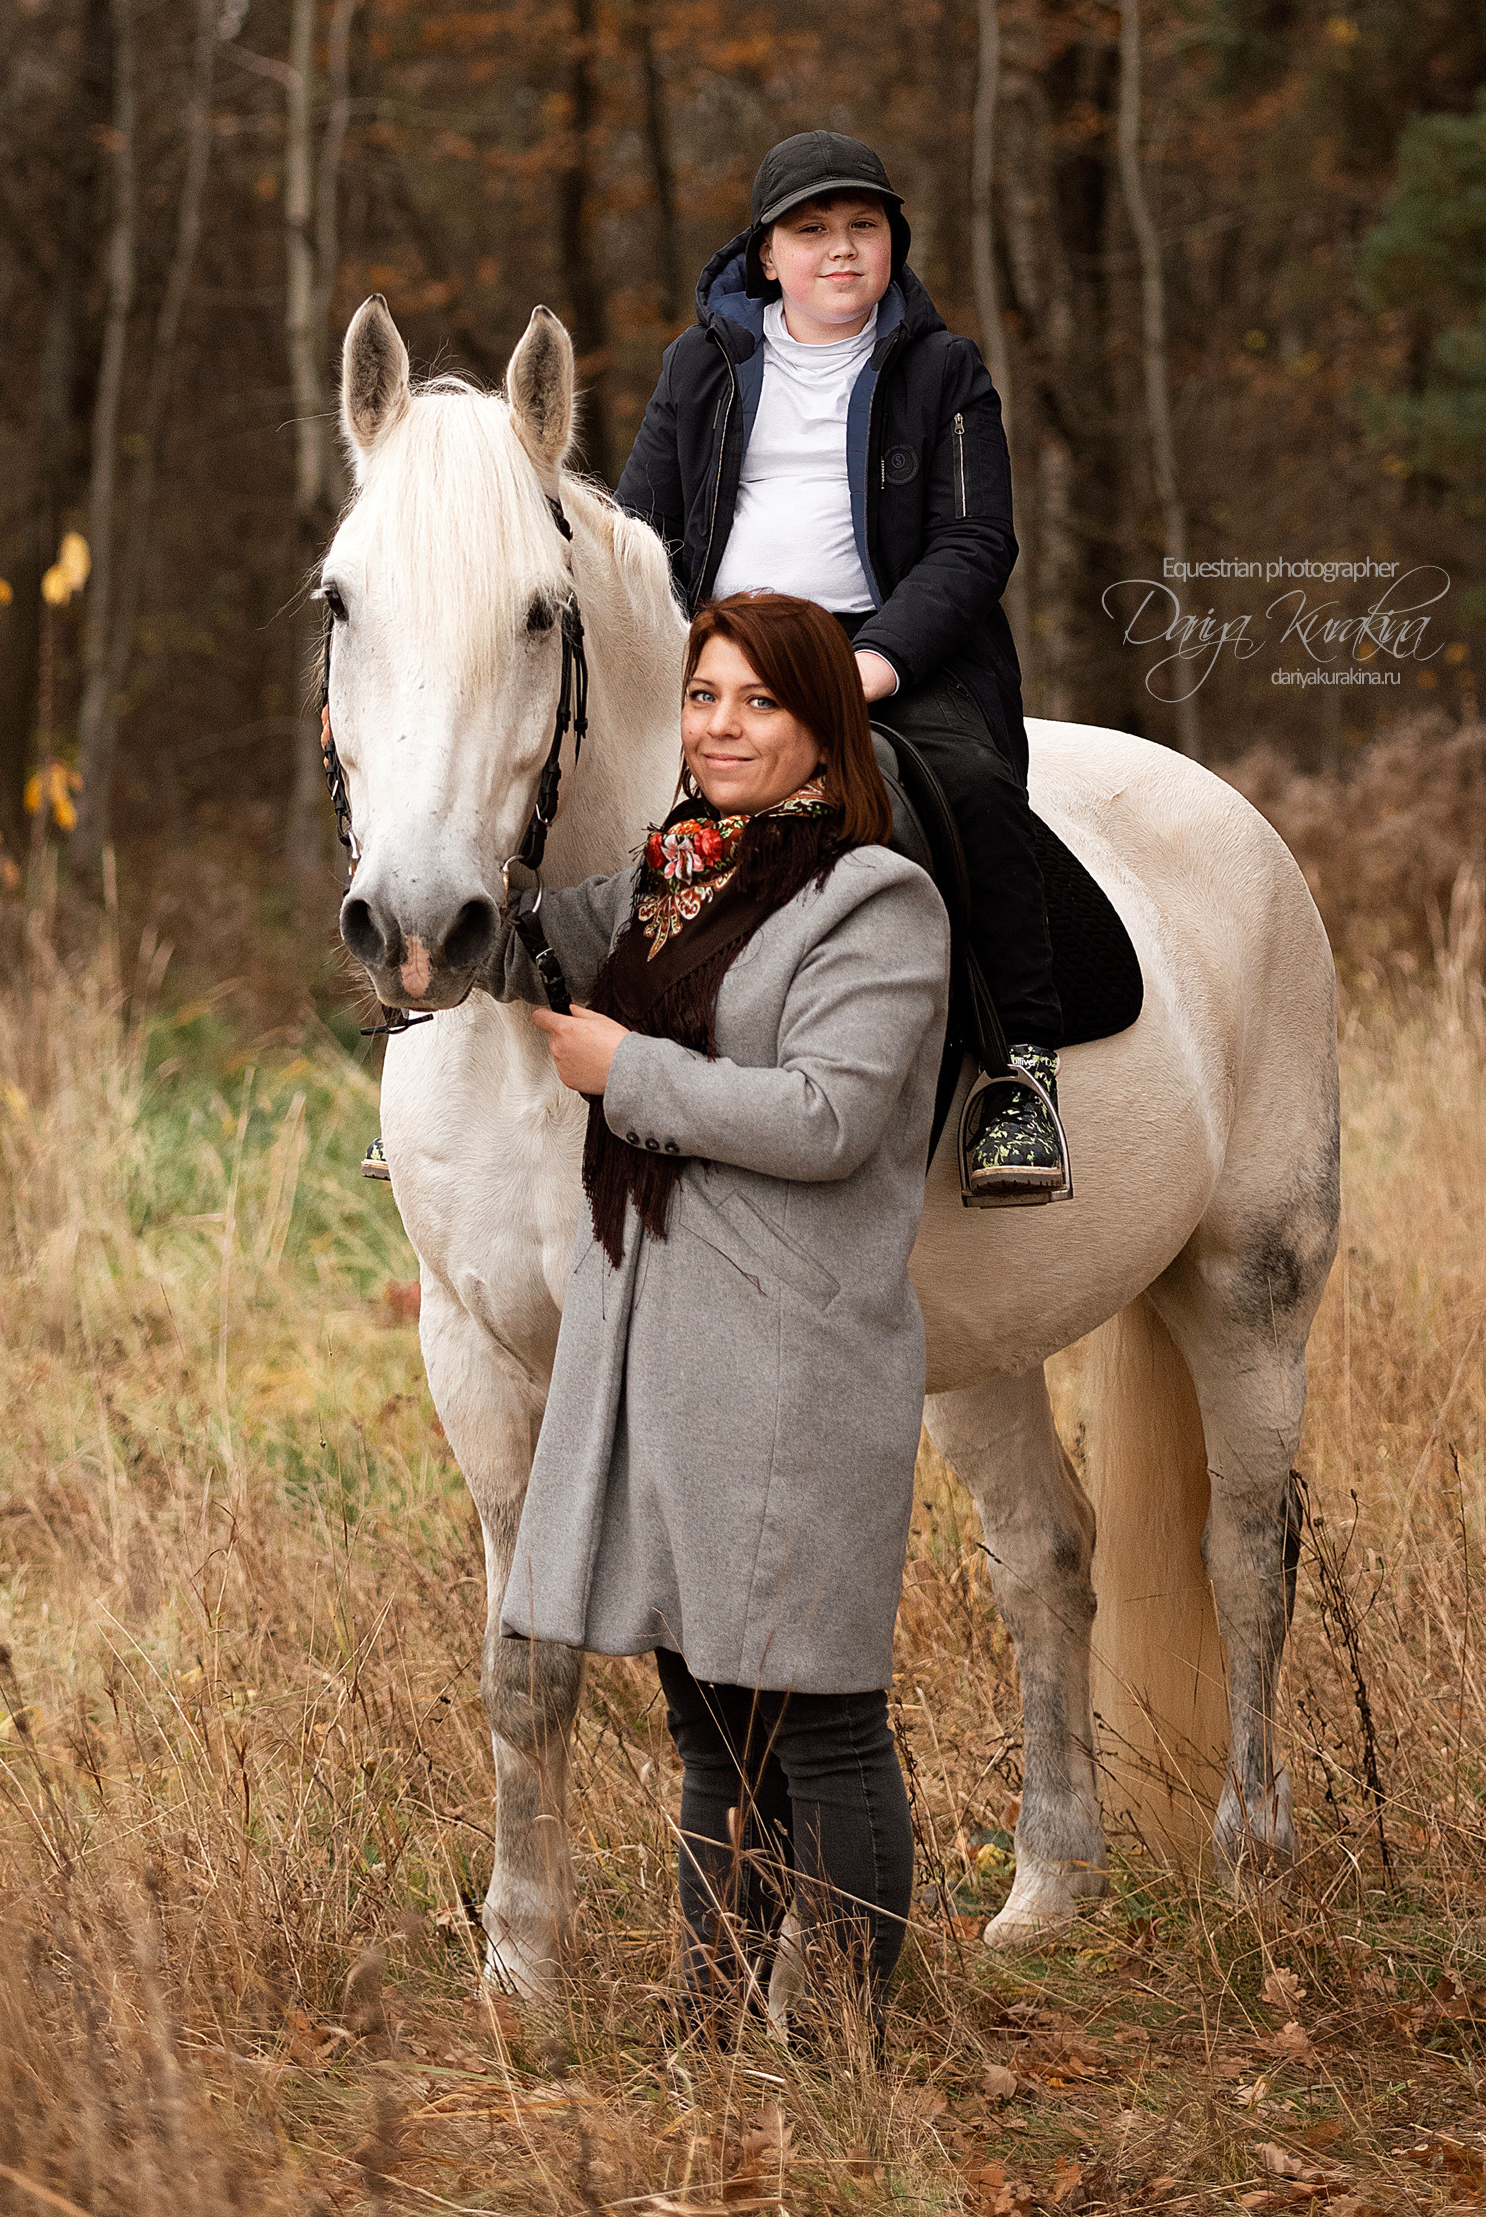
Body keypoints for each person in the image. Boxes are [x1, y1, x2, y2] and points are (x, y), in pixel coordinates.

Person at [500, 591, 950, 2048]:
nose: (718, 726)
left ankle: (845, 2047)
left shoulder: (875, 899)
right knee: (708, 1723)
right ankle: (710, 2022)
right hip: (666, 1355)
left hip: (792, 1360)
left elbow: (826, 1117)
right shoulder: (668, 873)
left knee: (815, 1717)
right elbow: (503, 947)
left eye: (755, 702)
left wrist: (625, 1071)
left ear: (823, 725)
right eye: (702, 697)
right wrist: (401, 803)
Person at [615, 127, 1067, 1197]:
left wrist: (871, 663)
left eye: (862, 227)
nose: (839, 250)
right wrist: (673, 658)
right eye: (810, 231)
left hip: (891, 646)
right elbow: (635, 525)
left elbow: (974, 542)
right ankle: (449, 1053)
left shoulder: (941, 369)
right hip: (712, 643)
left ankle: (1020, 1073)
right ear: (765, 255)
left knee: (970, 790)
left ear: (890, 244)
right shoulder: (702, 367)